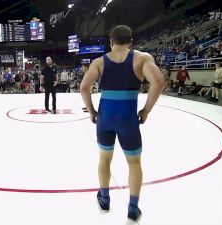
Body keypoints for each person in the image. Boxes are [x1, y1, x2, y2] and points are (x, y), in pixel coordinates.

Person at [80, 25, 164, 222]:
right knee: (134, 162)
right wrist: (146, 110)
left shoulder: (99, 62)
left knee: (105, 158)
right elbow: (159, 82)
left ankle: (105, 198)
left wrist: (92, 112)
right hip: (128, 118)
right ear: (131, 41)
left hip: (105, 117)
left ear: (111, 42)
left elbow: (84, 87)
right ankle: (133, 207)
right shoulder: (142, 58)